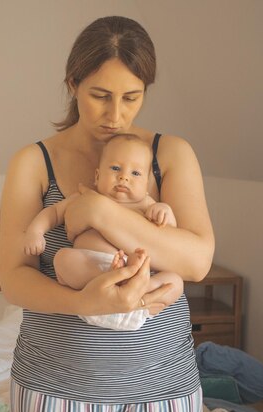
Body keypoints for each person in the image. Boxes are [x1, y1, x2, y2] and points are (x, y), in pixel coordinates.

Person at [0, 15, 214, 412]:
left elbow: (197, 262)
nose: (115, 115)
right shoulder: (33, 162)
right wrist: (86, 302)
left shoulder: (169, 155)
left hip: (164, 385)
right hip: (55, 388)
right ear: (72, 85)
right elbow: (13, 279)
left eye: (131, 98)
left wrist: (99, 210)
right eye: (100, 95)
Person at [23, 133, 184, 331]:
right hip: (93, 275)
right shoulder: (85, 197)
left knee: (175, 282)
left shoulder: (147, 205)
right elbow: (54, 212)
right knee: (63, 258)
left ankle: (142, 291)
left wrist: (165, 212)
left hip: (136, 277)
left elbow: (172, 238)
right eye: (115, 168)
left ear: (147, 185)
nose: (124, 177)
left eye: (135, 173)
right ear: (98, 176)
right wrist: (35, 231)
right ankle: (112, 279)